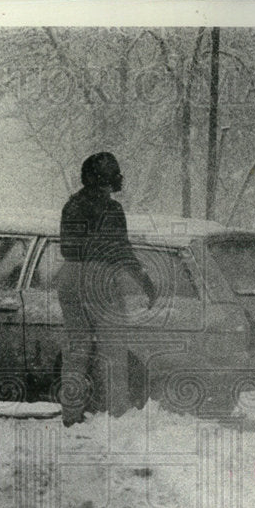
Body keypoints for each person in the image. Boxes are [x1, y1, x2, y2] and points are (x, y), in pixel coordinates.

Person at [57, 152, 157, 426]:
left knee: (76, 352)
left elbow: (68, 246)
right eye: (115, 174)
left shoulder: (72, 206)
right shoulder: (112, 210)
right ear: (106, 179)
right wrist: (143, 279)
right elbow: (121, 250)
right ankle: (117, 416)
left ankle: (71, 414)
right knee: (113, 352)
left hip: (70, 275)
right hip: (100, 278)